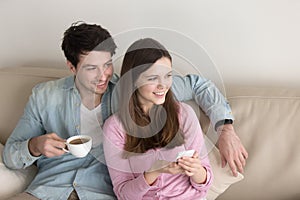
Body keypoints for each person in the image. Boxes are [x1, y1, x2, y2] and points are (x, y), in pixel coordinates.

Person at [2, 22, 247, 200]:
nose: (103, 76)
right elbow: (11, 157)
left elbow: (197, 85)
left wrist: (226, 128)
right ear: (72, 67)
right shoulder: (44, 96)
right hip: (48, 190)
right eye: (91, 68)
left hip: (100, 193)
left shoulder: (133, 86)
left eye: (107, 64)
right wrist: (34, 146)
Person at [103, 38, 213, 199]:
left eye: (167, 75)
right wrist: (153, 172)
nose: (163, 85)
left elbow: (205, 182)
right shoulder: (115, 127)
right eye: (153, 78)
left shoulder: (184, 114)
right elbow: (124, 194)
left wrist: (196, 170)